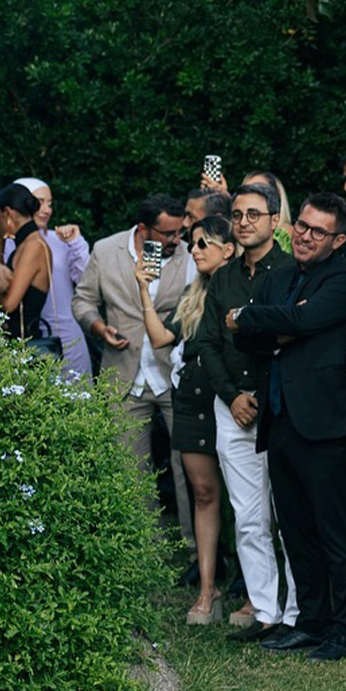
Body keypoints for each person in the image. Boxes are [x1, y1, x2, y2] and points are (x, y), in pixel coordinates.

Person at [228, 193, 346, 662]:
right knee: (296, 532)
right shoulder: (282, 275)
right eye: (303, 227)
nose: (306, 237)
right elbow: (249, 340)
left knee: (338, 534)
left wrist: (254, 318)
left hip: (329, 426)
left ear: (338, 240)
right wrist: (269, 326)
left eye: (318, 232)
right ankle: (309, 622)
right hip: (281, 420)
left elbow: (302, 319)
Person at [197, 181, 299, 642]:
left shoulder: (292, 270)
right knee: (249, 515)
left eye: (253, 215)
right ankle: (265, 609)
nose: (243, 223)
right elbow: (208, 343)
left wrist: (257, 394)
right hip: (231, 406)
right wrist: (231, 395)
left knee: (291, 512)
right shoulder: (223, 277)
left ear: (274, 221)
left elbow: (288, 339)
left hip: (280, 405)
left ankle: (298, 612)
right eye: (237, 215)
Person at [138, 214, 238, 625]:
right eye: (192, 243)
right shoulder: (191, 293)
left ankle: (251, 593)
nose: (193, 250)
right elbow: (162, 338)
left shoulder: (241, 287)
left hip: (231, 401)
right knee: (202, 493)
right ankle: (206, 589)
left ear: (228, 250)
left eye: (203, 244)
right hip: (192, 401)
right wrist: (143, 289)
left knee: (242, 500)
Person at [73, 195, 189, 528]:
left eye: (179, 232)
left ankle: (196, 551)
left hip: (175, 375)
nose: (176, 240)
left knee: (187, 469)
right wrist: (98, 327)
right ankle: (143, 552)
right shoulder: (106, 250)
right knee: (129, 470)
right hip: (122, 375)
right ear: (143, 229)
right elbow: (83, 300)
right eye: (168, 234)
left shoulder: (189, 255)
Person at [13, 177, 91, 377]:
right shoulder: (8, 243)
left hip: (67, 337)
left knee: (78, 402)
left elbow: (87, 282)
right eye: (39, 202)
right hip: (27, 337)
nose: (46, 210)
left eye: (50, 203)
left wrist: (76, 243)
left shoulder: (60, 239)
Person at [0, 184, 53, 346]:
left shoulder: (34, 246)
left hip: (26, 345)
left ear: (7, 213)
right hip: (13, 342)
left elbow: (9, 304)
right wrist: (1, 240)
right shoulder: (23, 245)